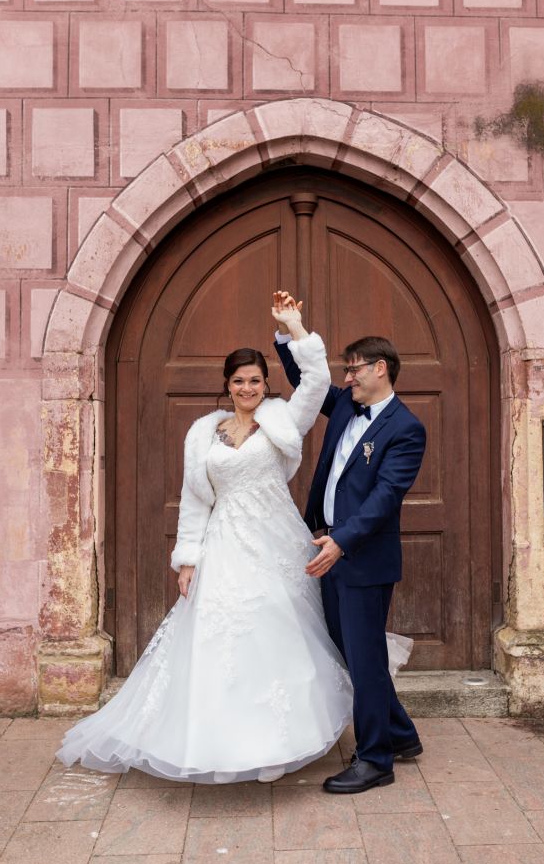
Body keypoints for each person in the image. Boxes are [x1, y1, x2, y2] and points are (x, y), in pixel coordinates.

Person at [56, 293, 353, 784]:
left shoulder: (283, 417)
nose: (248, 388)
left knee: (277, 633)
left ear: (265, 384)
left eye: (256, 380)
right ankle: (220, 739)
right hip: (225, 542)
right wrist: (187, 559)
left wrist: (295, 326)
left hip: (276, 542)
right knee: (224, 634)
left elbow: (318, 381)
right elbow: (195, 499)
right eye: (239, 382)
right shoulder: (203, 433)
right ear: (227, 385)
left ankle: (279, 740)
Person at [275, 298, 426, 794]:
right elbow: (307, 383)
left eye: (354, 368)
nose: (346, 377)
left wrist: (342, 541)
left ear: (380, 369)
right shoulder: (344, 406)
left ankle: (376, 758)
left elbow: (384, 499)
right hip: (326, 549)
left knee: (363, 659)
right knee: (350, 652)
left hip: (362, 559)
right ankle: (401, 734)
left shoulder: (406, 429)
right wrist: (288, 335)